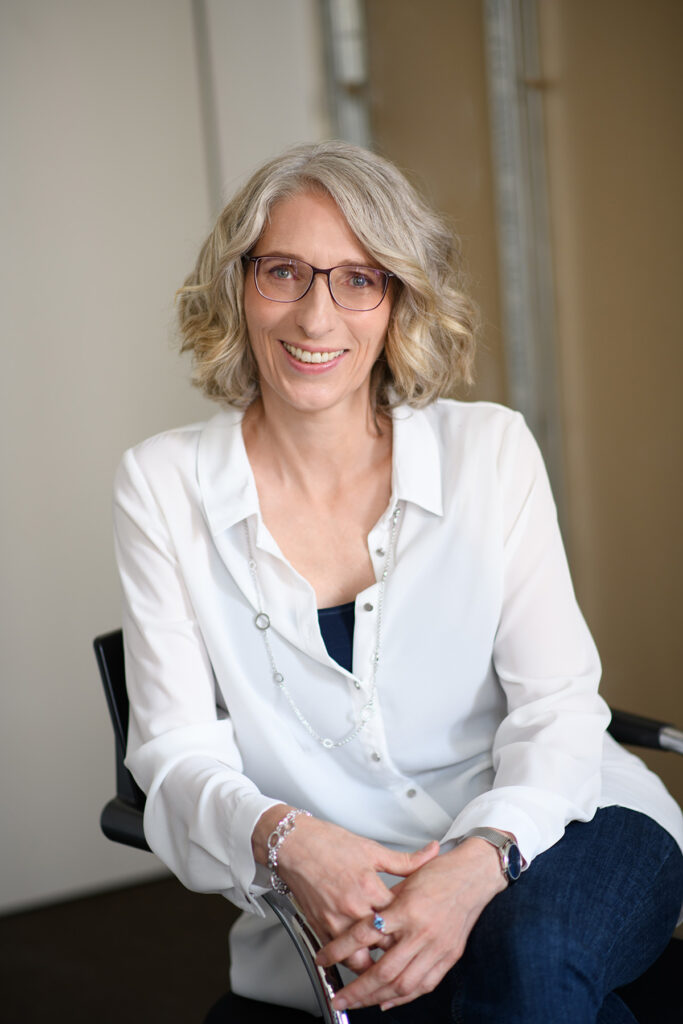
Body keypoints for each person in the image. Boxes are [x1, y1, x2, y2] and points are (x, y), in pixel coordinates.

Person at [113, 140, 683, 1023]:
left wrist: (478, 861)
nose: (316, 317)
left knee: (533, 957)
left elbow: (556, 706)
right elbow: (174, 751)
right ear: (237, 285)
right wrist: (288, 839)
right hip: (347, 881)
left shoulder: (489, 449)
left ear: (398, 300)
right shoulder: (161, 484)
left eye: (357, 280)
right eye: (283, 272)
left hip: (558, 818)